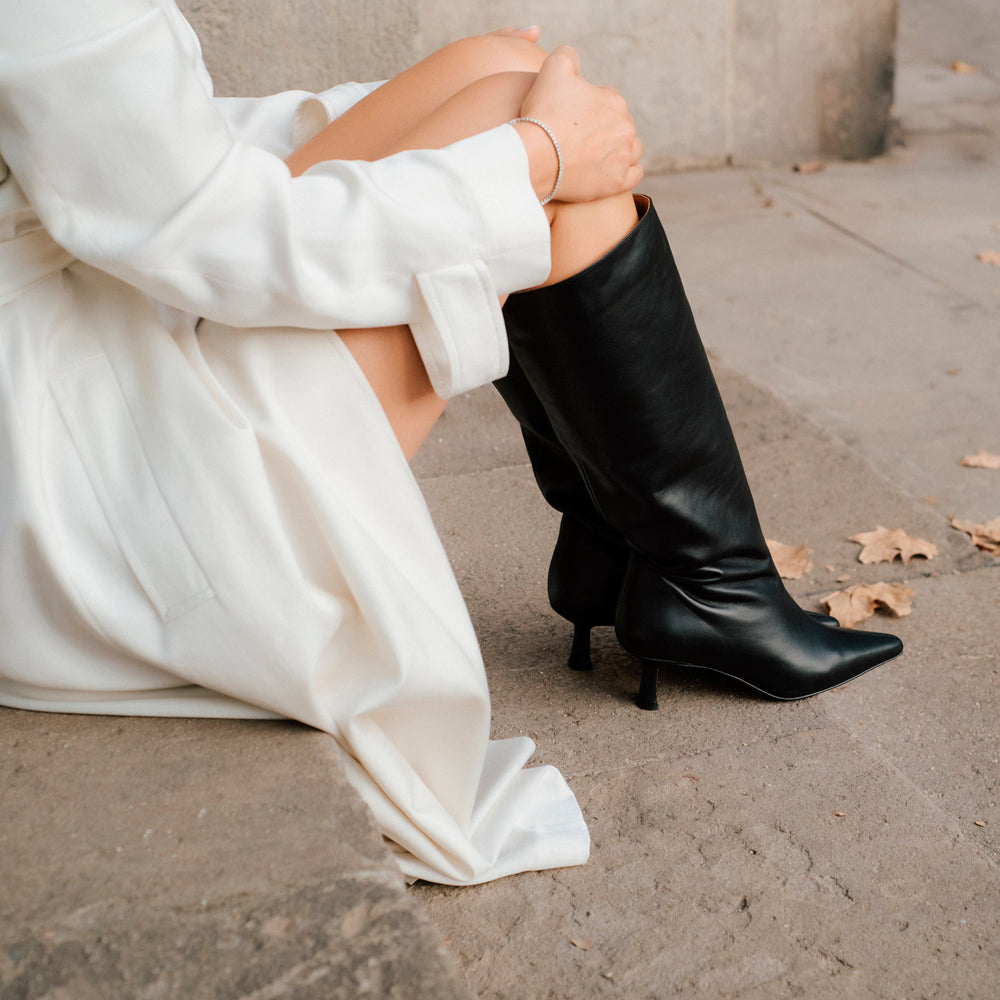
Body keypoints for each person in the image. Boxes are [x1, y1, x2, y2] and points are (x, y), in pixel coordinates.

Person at [0, 2, 901, 886]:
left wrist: (432, 113)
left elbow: (125, 145)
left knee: (485, 74)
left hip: (83, 332)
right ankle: (705, 583)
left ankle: (624, 549)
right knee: (534, 150)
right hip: (77, 491)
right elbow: (213, 233)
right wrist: (533, 158)